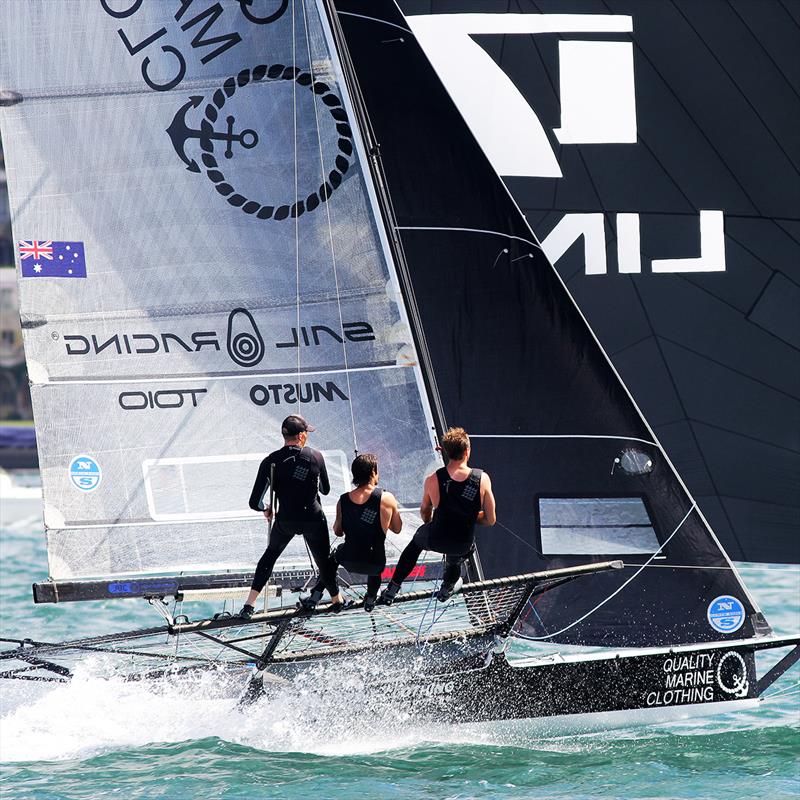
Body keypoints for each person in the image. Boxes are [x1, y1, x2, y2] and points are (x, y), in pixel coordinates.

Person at [239, 415, 343, 619]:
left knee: (269, 557)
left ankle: (249, 606)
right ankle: (336, 600)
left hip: (286, 521)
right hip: (313, 519)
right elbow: (326, 490)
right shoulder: (316, 456)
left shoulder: (271, 461)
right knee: (323, 560)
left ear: (284, 435)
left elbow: (254, 502)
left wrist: (266, 509)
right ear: (302, 435)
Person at [379, 427, 496, 605]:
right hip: (462, 544)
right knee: (455, 558)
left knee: (415, 544)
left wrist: (429, 524)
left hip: (435, 537)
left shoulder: (433, 479)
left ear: (446, 452)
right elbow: (490, 519)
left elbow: (425, 511)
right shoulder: (483, 479)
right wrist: (469, 517)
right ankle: (447, 587)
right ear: (467, 451)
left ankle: (393, 588)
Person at [305, 453, 402, 612]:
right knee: (375, 563)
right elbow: (397, 529)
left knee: (333, 558)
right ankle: (370, 599)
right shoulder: (387, 498)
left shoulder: (343, 500)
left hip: (349, 559)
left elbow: (338, 532)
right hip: (375, 563)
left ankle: (316, 594)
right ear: (372, 472)